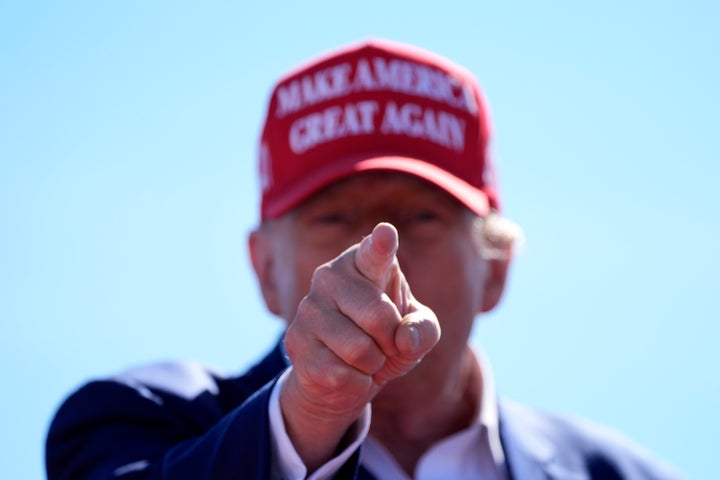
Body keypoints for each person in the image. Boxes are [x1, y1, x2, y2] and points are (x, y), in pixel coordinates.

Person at [46, 38, 683, 479]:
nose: (379, 251)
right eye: (332, 218)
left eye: (422, 217)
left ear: (495, 266)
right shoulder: (138, 422)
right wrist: (311, 412)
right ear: (265, 268)